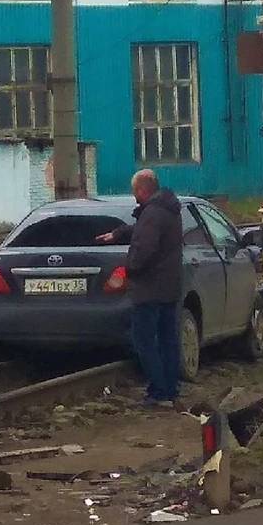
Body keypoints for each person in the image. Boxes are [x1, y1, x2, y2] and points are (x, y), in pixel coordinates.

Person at [98, 169, 183, 409]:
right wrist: (117, 233)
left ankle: (158, 391)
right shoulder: (167, 209)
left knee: (144, 340)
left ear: (142, 190)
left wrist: (130, 269)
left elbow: (144, 247)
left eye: (135, 191)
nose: (134, 196)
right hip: (168, 286)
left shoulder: (153, 213)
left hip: (149, 288)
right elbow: (141, 230)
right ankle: (170, 387)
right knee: (168, 338)